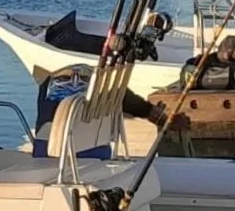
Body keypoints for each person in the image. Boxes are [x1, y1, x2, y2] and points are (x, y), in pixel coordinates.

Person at [30, 64, 188, 159]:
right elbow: (133, 103)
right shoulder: (114, 90)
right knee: (116, 92)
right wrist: (163, 118)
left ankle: (160, 116)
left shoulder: (48, 85)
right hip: (95, 158)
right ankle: (160, 117)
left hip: (46, 156)